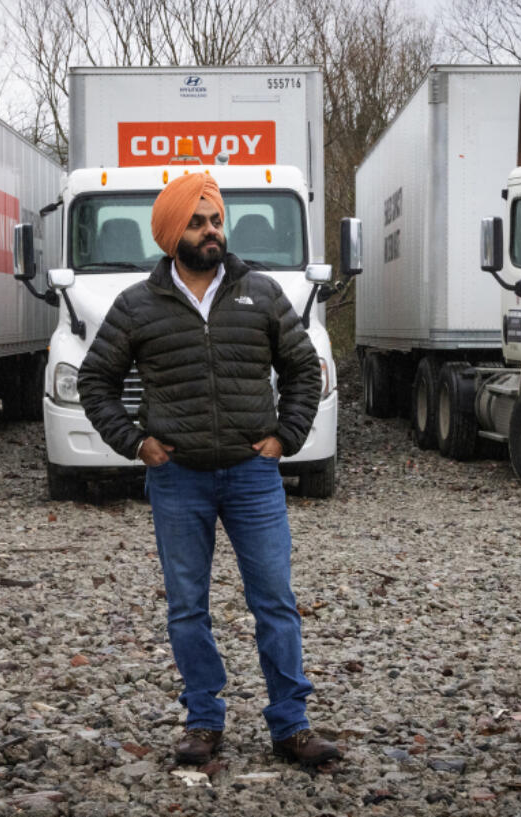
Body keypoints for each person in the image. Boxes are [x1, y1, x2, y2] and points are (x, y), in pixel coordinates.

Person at [77, 172, 341, 767]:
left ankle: (291, 726)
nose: (210, 231)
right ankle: (202, 722)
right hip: (178, 478)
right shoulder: (137, 305)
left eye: (216, 219)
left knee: (274, 600)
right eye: (196, 222)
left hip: (253, 477)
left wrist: (286, 436)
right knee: (186, 607)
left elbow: (303, 369)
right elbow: (96, 380)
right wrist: (135, 442)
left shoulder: (263, 294)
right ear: (172, 232)